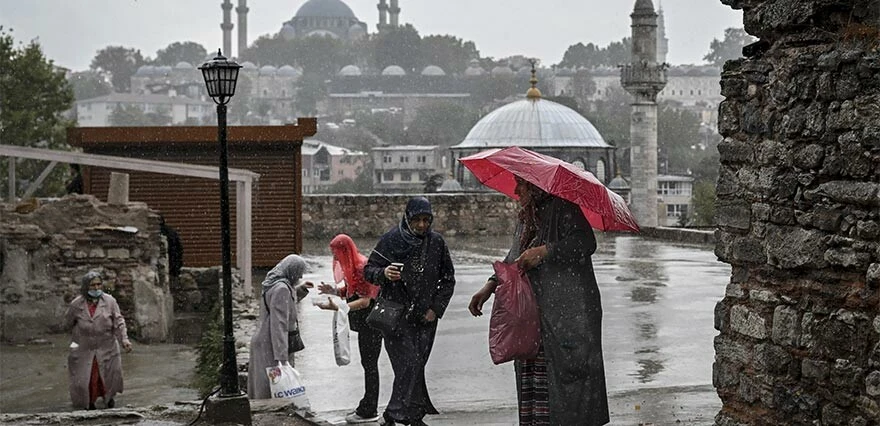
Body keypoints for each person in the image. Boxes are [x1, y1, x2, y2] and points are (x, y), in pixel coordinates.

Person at [468, 177, 610, 425]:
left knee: (567, 381)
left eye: (521, 185)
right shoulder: (527, 217)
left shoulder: (564, 209)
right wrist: (490, 285)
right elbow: (515, 256)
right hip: (532, 317)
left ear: (535, 186)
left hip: (565, 314)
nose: (516, 190)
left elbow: (586, 243)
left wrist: (546, 252)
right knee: (535, 383)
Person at [364, 196, 456, 426]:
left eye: (427, 220)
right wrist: (384, 273)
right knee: (409, 364)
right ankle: (396, 412)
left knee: (416, 367)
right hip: (395, 316)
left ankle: (412, 415)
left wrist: (435, 309)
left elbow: (447, 279)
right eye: (417, 220)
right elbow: (368, 270)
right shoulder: (391, 240)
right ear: (407, 218)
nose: (422, 225)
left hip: (425, 317)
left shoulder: (436, 243)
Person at [315, 234, 382, 424]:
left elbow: (365, 300)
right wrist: (334, 291)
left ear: (345, 250)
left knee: (370, 365)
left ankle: (369, 409)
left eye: (337, 254)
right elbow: (353, 291)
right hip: (366, 324)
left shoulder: (361, 266)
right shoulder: (353, 265)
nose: (335, 259)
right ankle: (368, 405)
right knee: (368, 364)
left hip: (372, 324)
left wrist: (339, 307)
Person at [64, 270, 132, 410]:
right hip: (84, 346)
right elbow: (68, 323)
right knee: (85, 378)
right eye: (92, 285)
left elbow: (119, 322)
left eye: (99, 285)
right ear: (85, 287)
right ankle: (89, 402)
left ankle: (109, 398)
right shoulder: (76, 304)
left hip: (106, 345)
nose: (96, 288)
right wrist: (75, 342)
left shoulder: (110, 301)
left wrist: (124, 339)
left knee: (108, 375)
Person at [247, 254, 312, 399]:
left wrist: (300, 290)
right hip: (270, 345)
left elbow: (284, 304)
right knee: (272, 388)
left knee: (262, 386)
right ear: (292, 271)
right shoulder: (282, 289)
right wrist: (282, 358)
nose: (300, 275)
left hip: (262, 340)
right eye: (299, 272)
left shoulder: (273, 283)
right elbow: (279, 325)